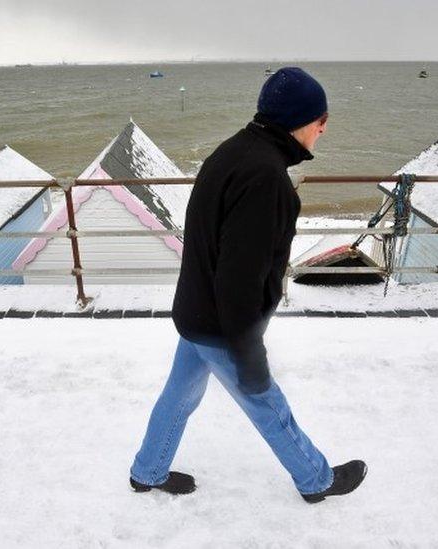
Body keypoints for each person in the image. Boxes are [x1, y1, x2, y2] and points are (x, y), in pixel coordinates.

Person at [128, 67, 367, 503]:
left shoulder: (231, 152)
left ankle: (147, 471)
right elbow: (239, 282)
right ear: (302, 120)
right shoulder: (267, 180)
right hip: (220, 325)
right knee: (268, 405)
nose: (324, 131)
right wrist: (250, 355)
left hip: (195, 312)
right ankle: (316, 480)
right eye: (322, 121)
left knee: (178, 397)